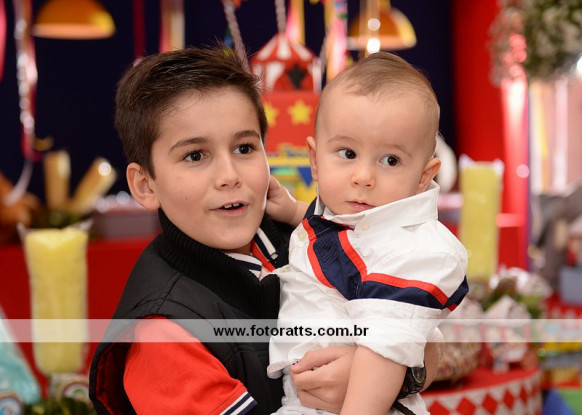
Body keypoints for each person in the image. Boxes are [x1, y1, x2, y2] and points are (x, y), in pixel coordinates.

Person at [88, 46, 438, 415]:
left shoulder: (302, 238)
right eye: (195, 156)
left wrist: (385, 377)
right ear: (145, 185)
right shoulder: (164, 333)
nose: (229, 176)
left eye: (244, 148)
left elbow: (428, 341)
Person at [267, 52, 469, 415]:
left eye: (390, 160)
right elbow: (335, 241)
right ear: (315, 159)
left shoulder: (411, 249)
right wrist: (294, 212)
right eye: (347, 153)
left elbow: (385, 348)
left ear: (424, 176)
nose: (363, 176)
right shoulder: (352, 216)